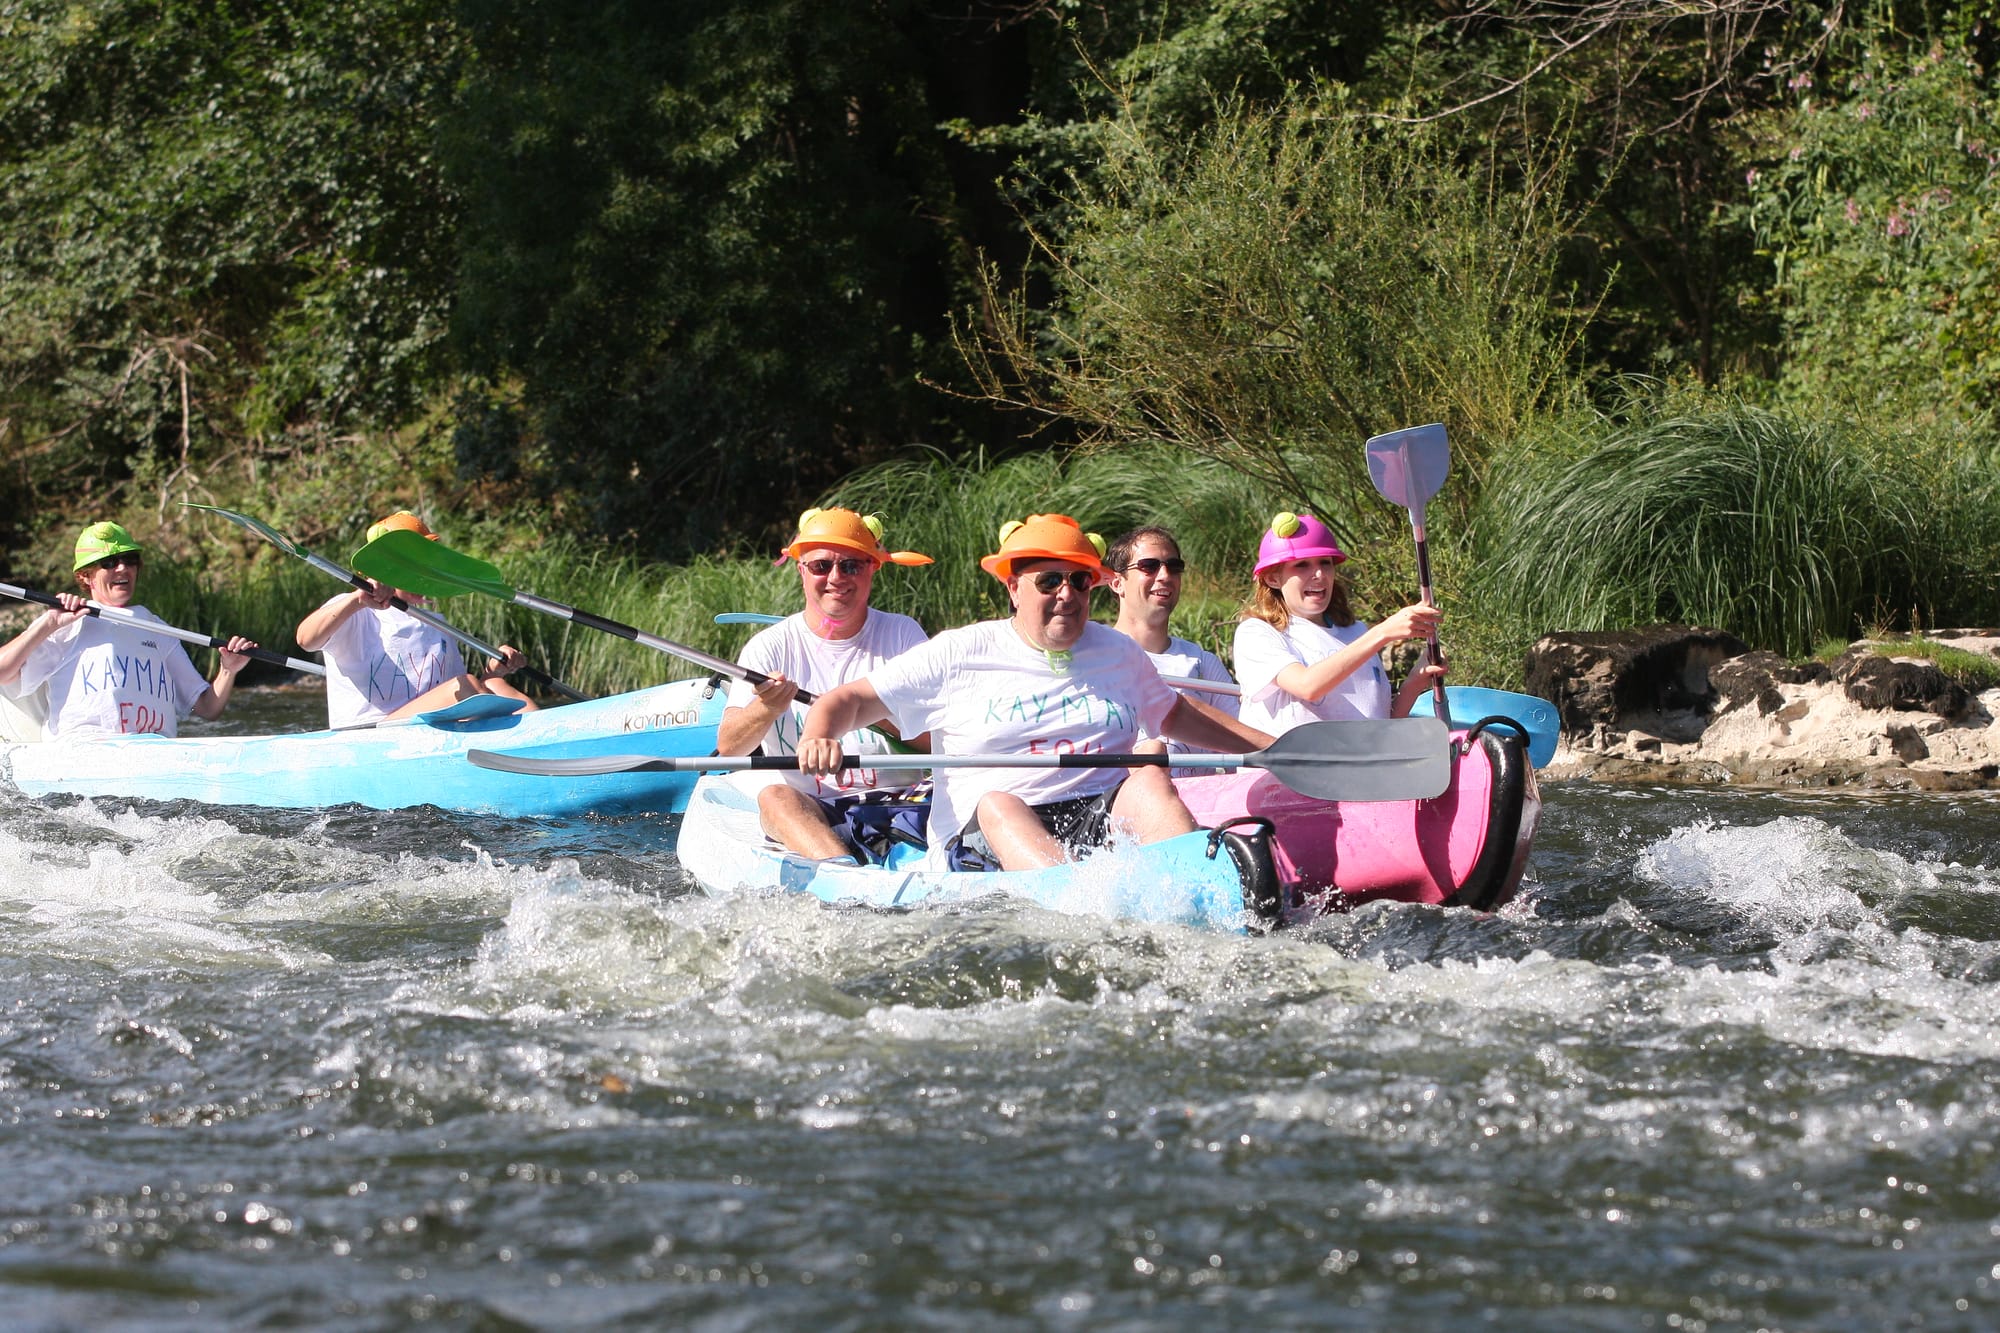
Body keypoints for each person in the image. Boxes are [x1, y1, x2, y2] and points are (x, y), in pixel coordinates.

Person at [795, 514, 1276, 872]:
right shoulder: (959, 652)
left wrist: (1271, 748)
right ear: (1014, 588)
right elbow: (849, 700)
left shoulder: (1120, 652)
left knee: (1148, 777)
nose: (1067, 594)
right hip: (989, 834)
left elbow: (1174, 714)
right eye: (1049, 580)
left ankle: (1197, 886)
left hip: (1096, 814)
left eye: (1080, 580)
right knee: (998, 804)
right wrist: (819, 735)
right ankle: (1080, 915)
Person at [714, 507, 933, 861]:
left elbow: (938, 741)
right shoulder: (769, 647)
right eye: (821, 566)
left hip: (904, 800)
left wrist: (867, 711)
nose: (836, 577)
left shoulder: (903, 634)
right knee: (774, 797)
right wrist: (767, 706)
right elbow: (729, 748)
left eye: (851, 566)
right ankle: (842, 874)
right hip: (811, 808)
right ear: (801, 570)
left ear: (872, 568)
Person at [0, 521, 256, 739]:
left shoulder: (156, 627)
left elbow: (207, 708)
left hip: (150, 754)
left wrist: (228, 669)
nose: (122, 567)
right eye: (109, 562)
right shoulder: (64, 623)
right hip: (84, 752)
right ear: (86, 577)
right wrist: (47, 624)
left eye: (129, 560)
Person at [295, 511, 536, 728]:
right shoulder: (356, 610)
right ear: (388, 568)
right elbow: (305, 639)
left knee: (496, 687)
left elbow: (461, 701)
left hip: (423, 728)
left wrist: (492, 673)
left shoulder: (437, 624)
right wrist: (357, 600)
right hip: (367, 733)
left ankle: (548, 745)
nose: (424, 576)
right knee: (468, 685)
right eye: (415, 567)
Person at [1232, 510, 1444, 736]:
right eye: (1302, 565)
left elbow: (1382, 726)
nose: (1319, 574)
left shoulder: (1356, 632)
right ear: (1273, 578)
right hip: (1291, 770)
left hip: (1361, 767)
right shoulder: (1256, 633)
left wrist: (1415, 680)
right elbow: (1307, 686)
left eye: (1326, 562)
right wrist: (1382, 633)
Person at [1105, 525, 1239, 767]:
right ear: (1116, 583)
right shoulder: (1095, 658)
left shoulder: (1201, 663)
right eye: (1149, 566)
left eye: (1174, 566)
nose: (1165, 575)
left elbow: (1241, 743)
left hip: (1200, 801)